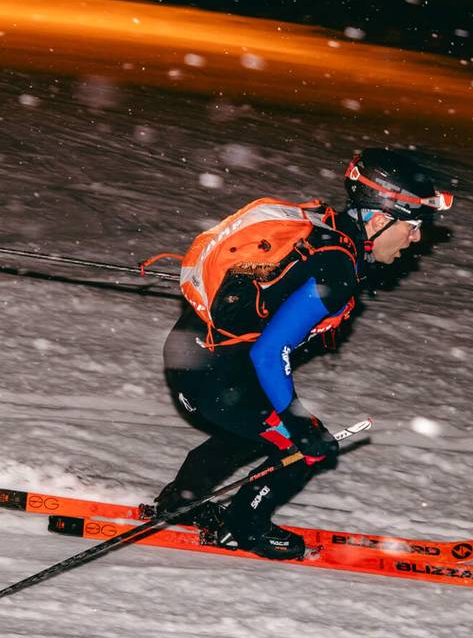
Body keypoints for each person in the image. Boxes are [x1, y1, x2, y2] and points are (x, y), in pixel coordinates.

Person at [147, 147, 453, 560]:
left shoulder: (325, 227)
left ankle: (179, 502)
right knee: (302, 446)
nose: (416, 238)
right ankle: (247, 527)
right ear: (379, 219)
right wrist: (300, 422)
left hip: (190, 352)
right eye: (412, 226)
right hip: (214, 375)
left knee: (253, 429)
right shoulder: (339, 267)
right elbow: (271, 352)